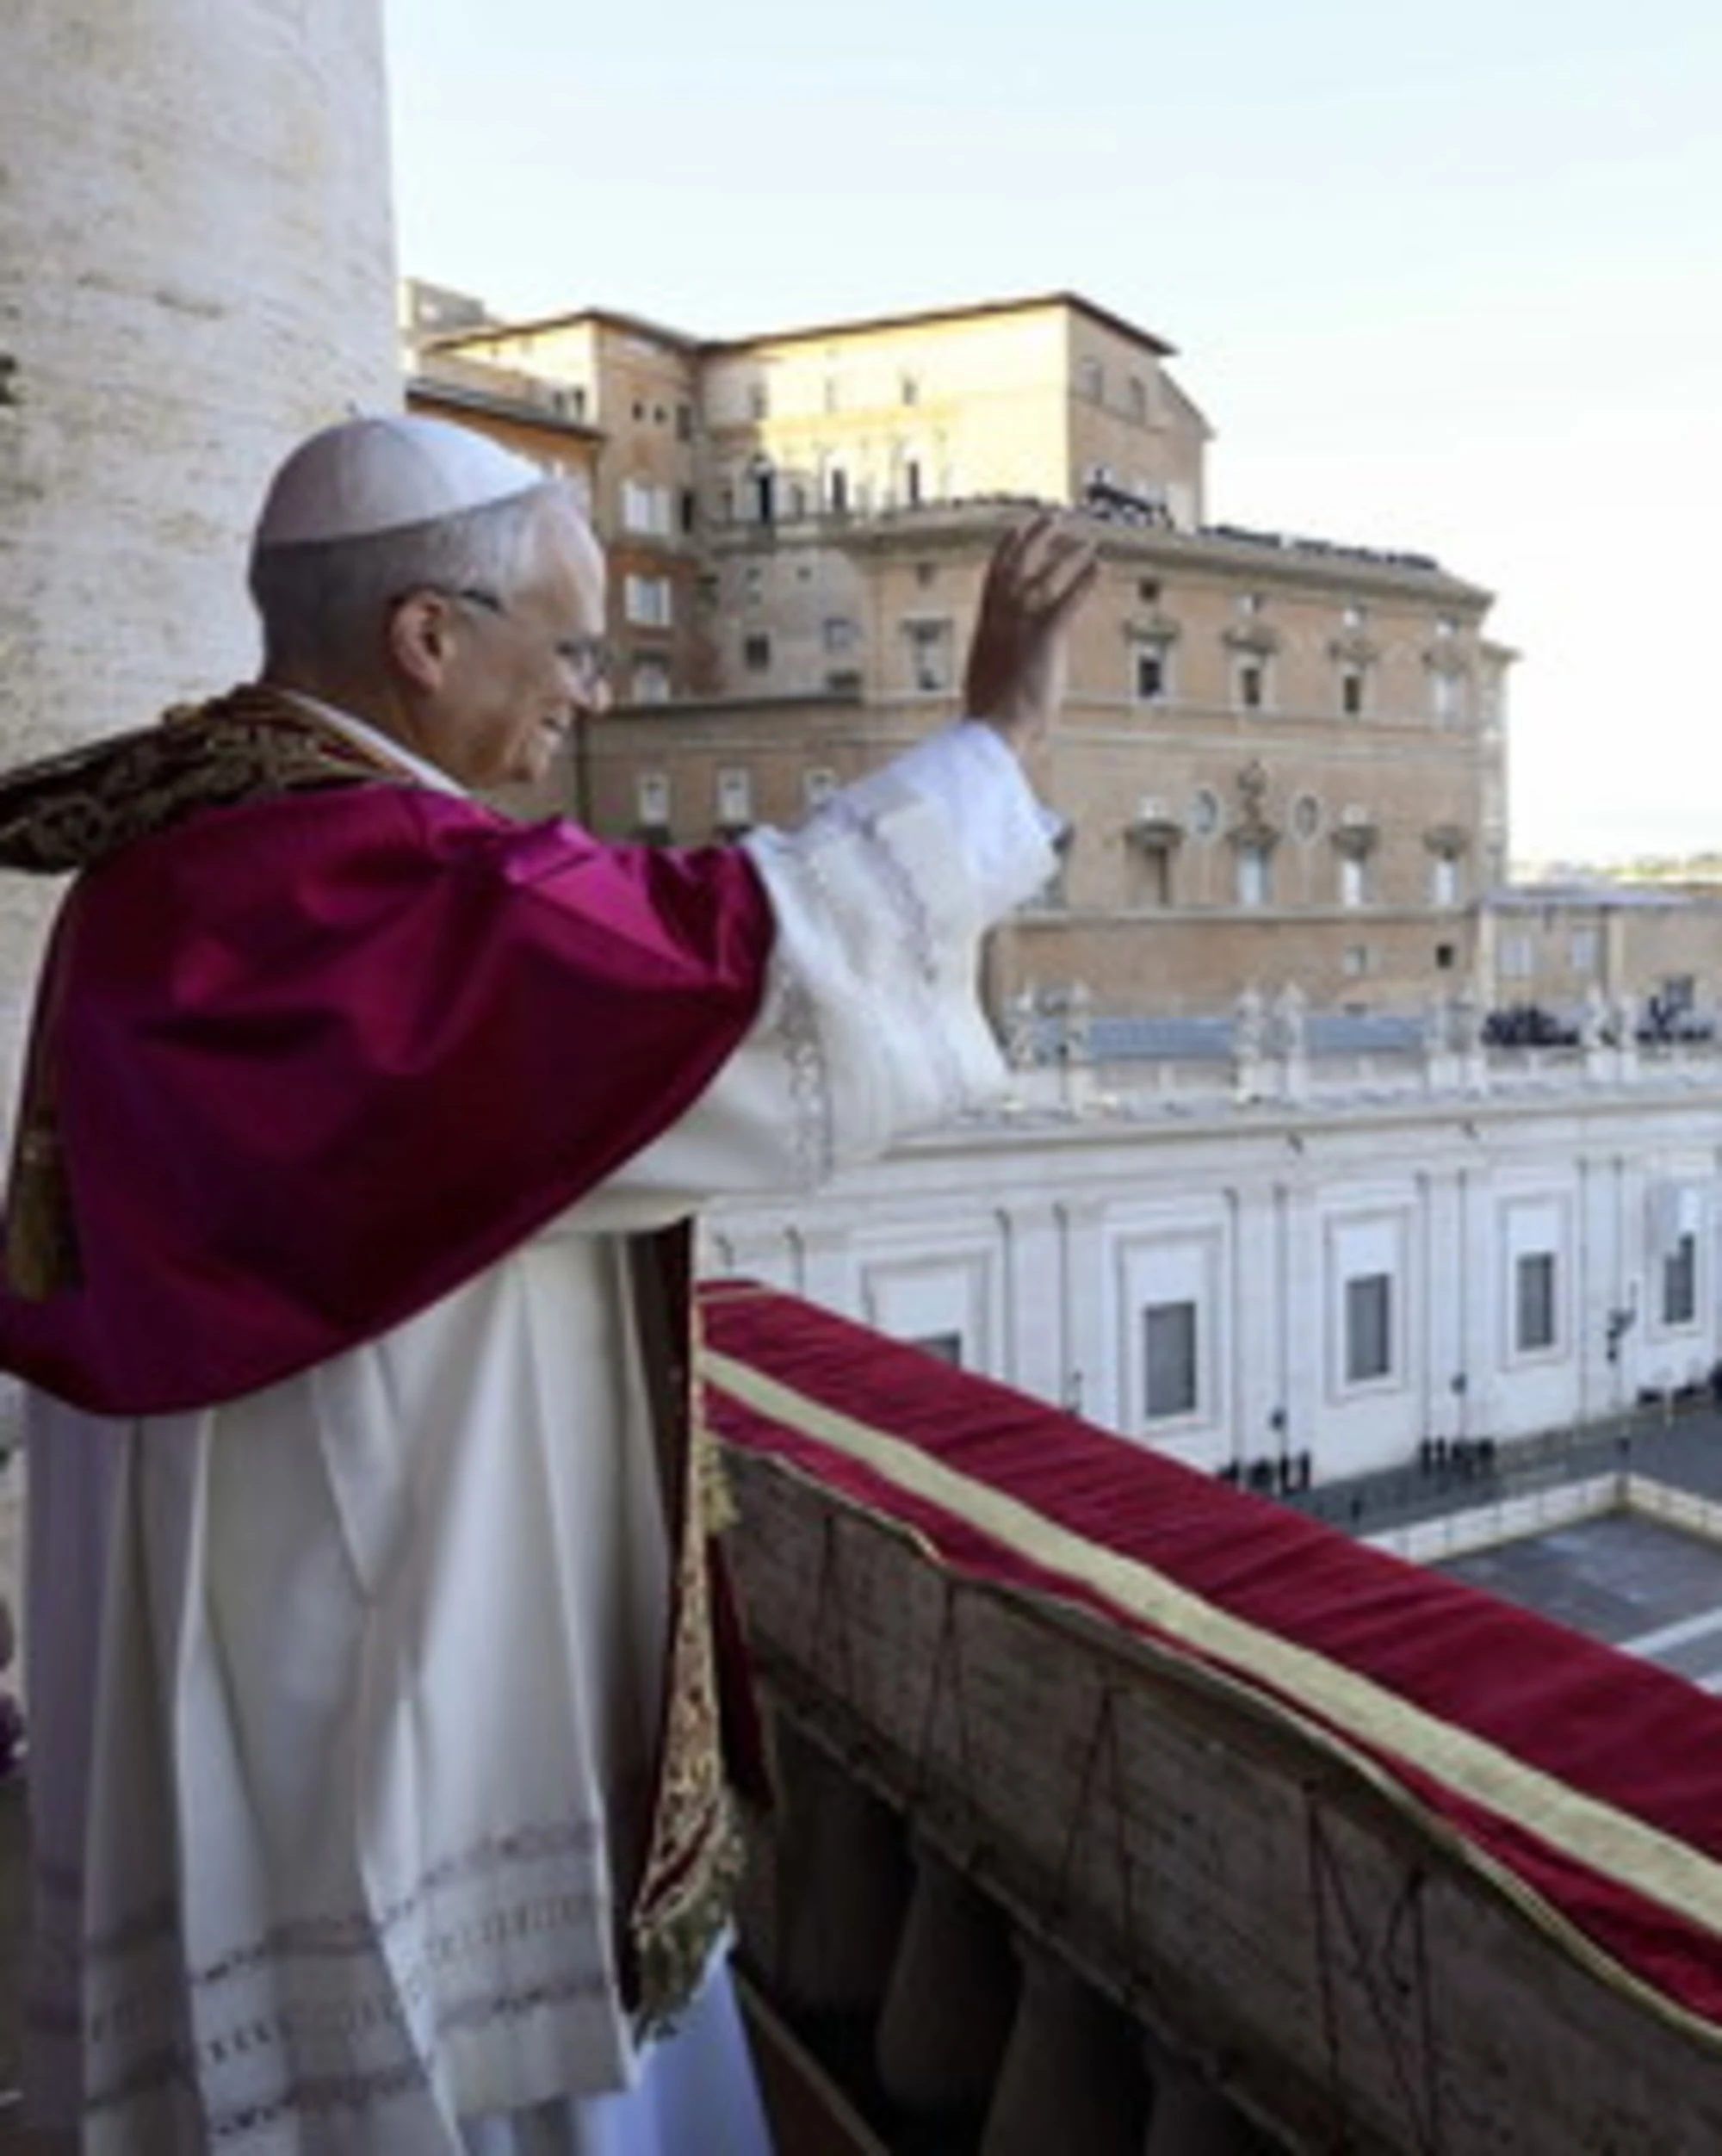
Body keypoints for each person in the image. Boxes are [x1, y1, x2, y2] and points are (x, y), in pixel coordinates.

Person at [0, 413, 1096, 2155]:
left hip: (250, 1565)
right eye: (568, 647)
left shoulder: (169, 863)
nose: (588, 695)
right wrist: (999, 735)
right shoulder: (369, 883)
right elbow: (749, 967)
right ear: (427, 638)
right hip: (399, 1599)